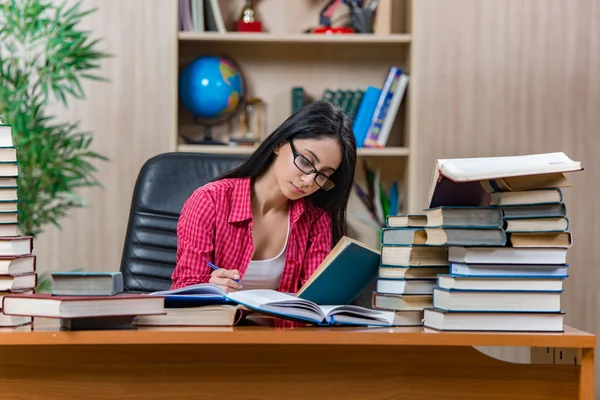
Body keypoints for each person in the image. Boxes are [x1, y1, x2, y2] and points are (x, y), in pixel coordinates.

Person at [171, 101, 357, 294]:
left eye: (324, 174)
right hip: (218, 323)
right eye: (305, 161)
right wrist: (208, 288)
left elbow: (313, 302)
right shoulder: (209, 201)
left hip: (278, 325)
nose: (309, 181)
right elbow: (184, 290)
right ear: (279, 144)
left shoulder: (315, 220)